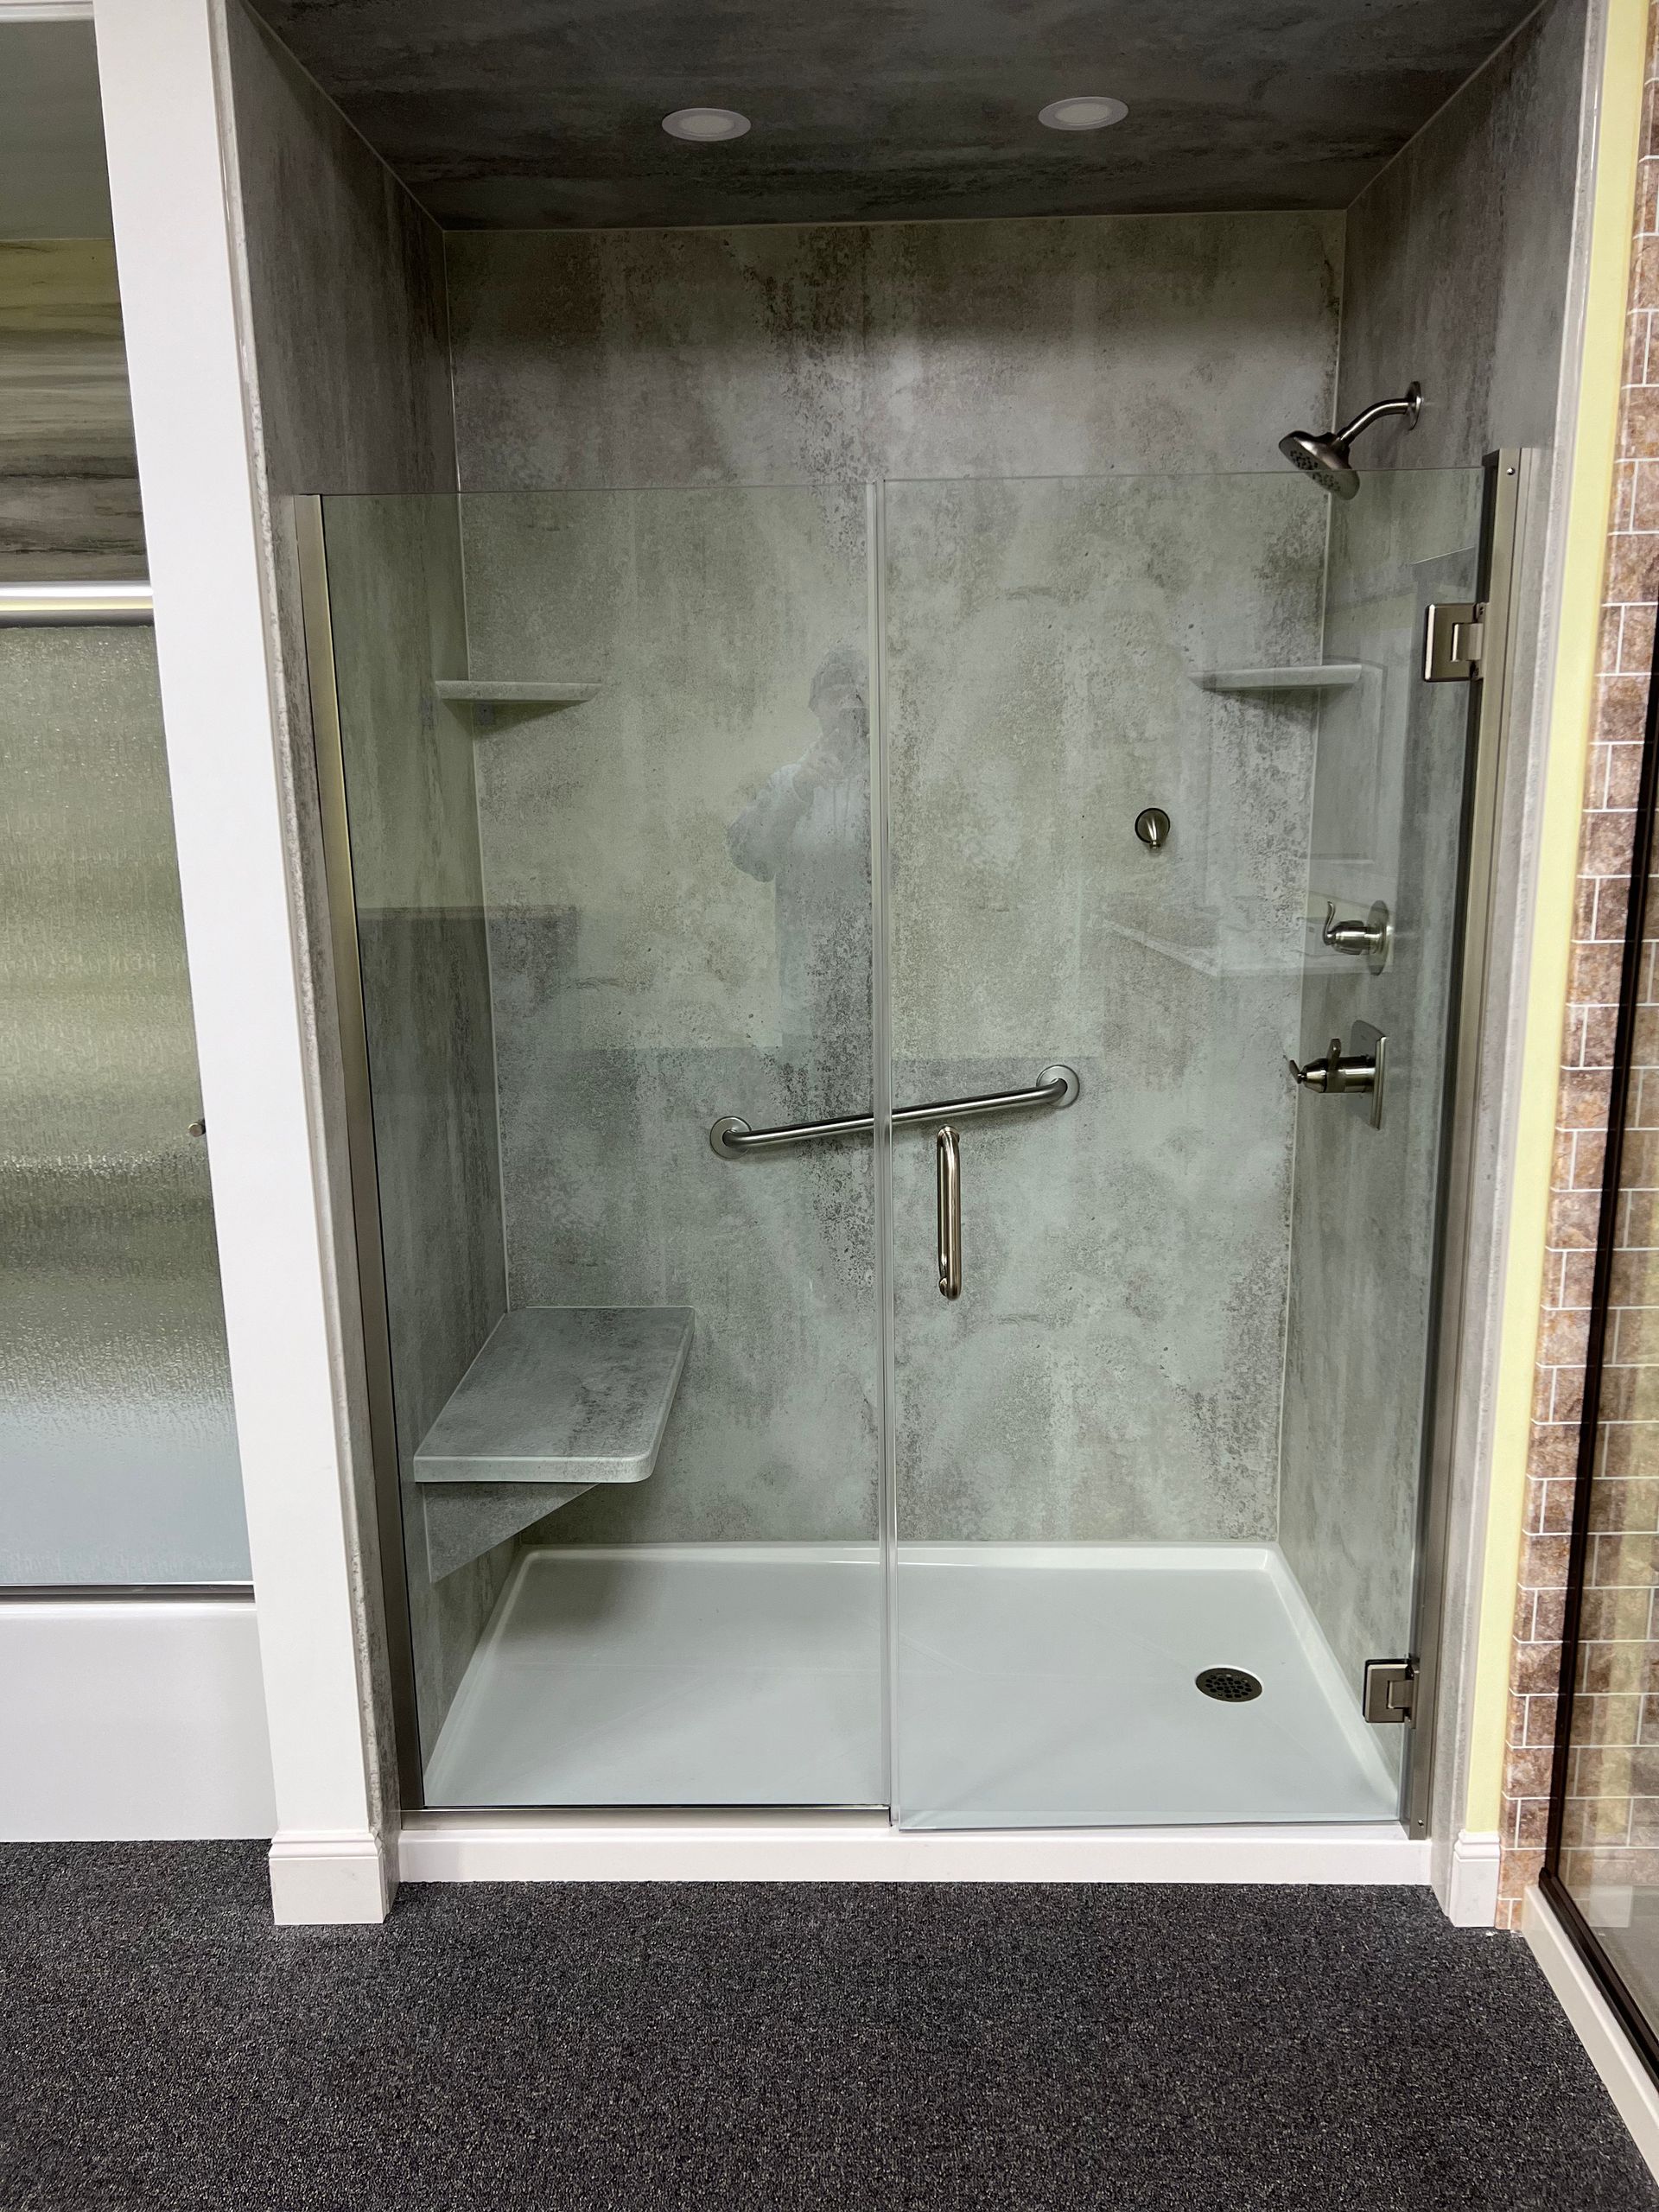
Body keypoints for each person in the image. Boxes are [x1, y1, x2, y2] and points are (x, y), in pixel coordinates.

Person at [728, 645, 872, 1065]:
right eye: (835, 695)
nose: (847, 706)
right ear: (816, 706)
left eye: (856, 694)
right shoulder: (788, 781)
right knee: (806, 1114)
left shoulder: (888, 782)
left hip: (874, 996)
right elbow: (751, 858)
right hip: (804, 996)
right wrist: (797, 793)